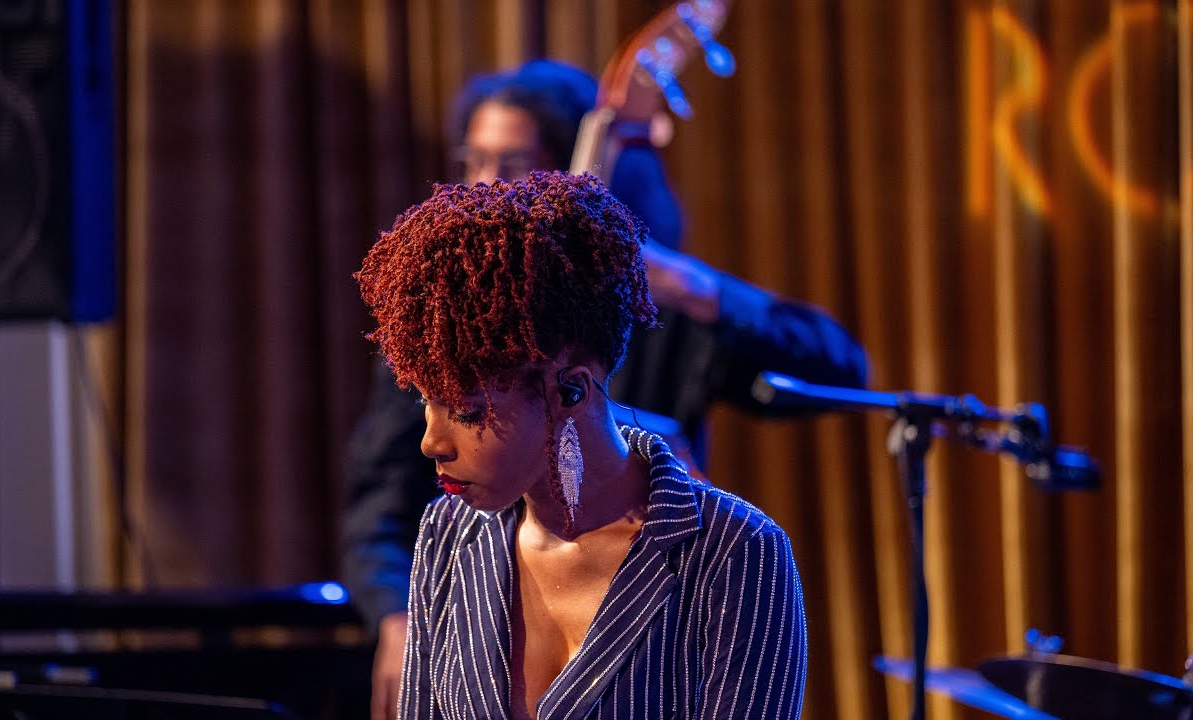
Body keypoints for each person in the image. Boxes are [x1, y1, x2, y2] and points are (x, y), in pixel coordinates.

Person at [344, 60, 866, 719]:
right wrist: (394, 615)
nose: (484, 186)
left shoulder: (735, 552)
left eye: (468, 410)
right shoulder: (449, 532)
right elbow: (376, 498)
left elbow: (837, 369)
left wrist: (692, 287)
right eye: (472, 160)